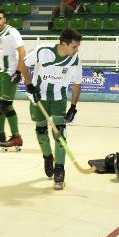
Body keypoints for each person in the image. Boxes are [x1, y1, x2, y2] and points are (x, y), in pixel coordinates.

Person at [23, 28, 82, 190]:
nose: (77, 50)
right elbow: (23, 64)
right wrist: (29, 86)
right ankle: (48, 157)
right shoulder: (43, 51)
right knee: (41, 131)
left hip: (58, 99)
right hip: (38, 98)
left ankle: (59, 169)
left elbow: (77, 83)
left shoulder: (75, 59)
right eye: (74, 47)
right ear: (63, 44)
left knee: (60, 133)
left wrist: (73, 107)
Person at [0, 9, 30, 150]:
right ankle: (0, 134)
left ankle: (16, 137)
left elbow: (22, 51)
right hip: (0, 73)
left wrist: (18, 72)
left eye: (0, 18)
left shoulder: (12, 32)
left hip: (10, 73)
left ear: (5, 20)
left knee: (5, 106)